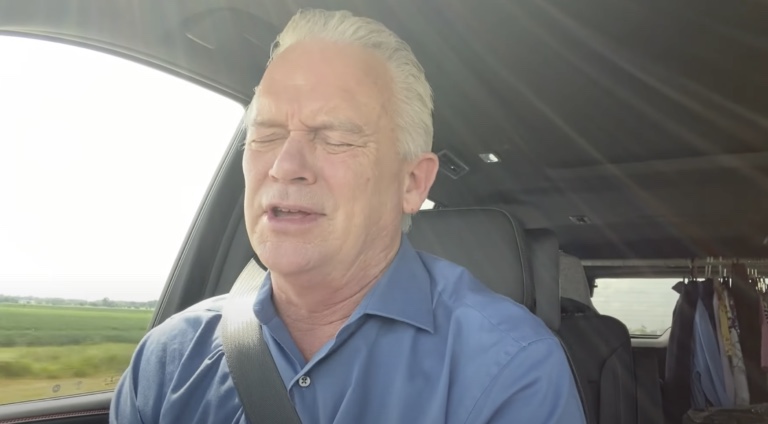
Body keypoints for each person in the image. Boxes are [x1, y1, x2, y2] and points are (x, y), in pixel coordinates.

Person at [110, 8, 586, 424]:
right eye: (266, 135)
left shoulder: (510, 369)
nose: (284, 165)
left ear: (411, 183)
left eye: (335, 138)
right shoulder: (168, 360)